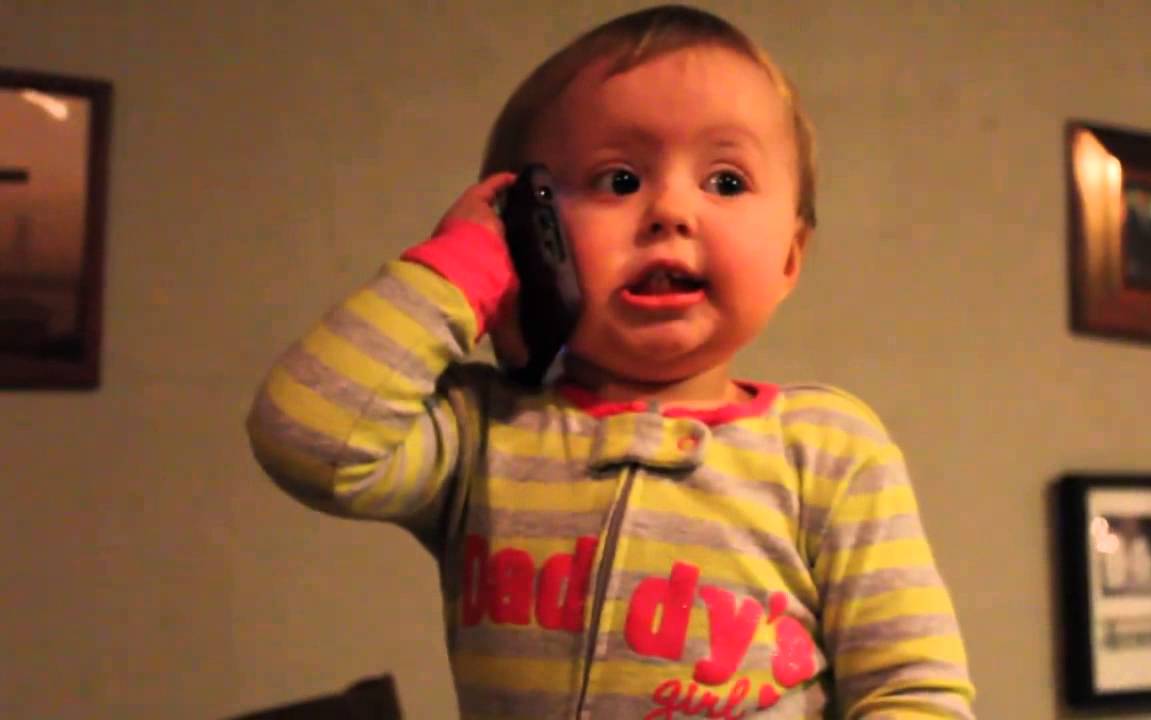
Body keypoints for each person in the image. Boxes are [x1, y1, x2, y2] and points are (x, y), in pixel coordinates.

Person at [245, 5, 975, 718]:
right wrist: (462, 270)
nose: (671, 212)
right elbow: (309, 437)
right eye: (619, 180)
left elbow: (914, 690)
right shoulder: (481, 436)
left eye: (725, 181)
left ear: (790, 256)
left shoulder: (827, 454)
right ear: (529, 236)